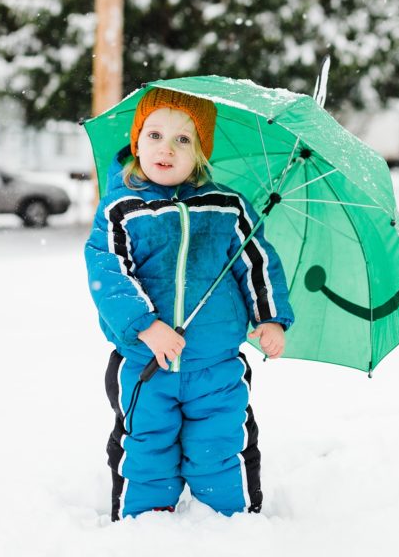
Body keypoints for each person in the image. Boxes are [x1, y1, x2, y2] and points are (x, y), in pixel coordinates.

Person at [85, 87, 295, 519]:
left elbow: (257, 263)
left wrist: (270, 319)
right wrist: (145, 324)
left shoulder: (228, 207)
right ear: (137, 140)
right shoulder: (120, 209)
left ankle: (230, 525)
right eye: (155, 134)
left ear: (201, 152)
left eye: (184, 139)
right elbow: (107, 269)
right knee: (146, 447)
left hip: (216, 365)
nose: (166, 148)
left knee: (218, 446)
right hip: (145, 364)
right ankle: (145, 529)